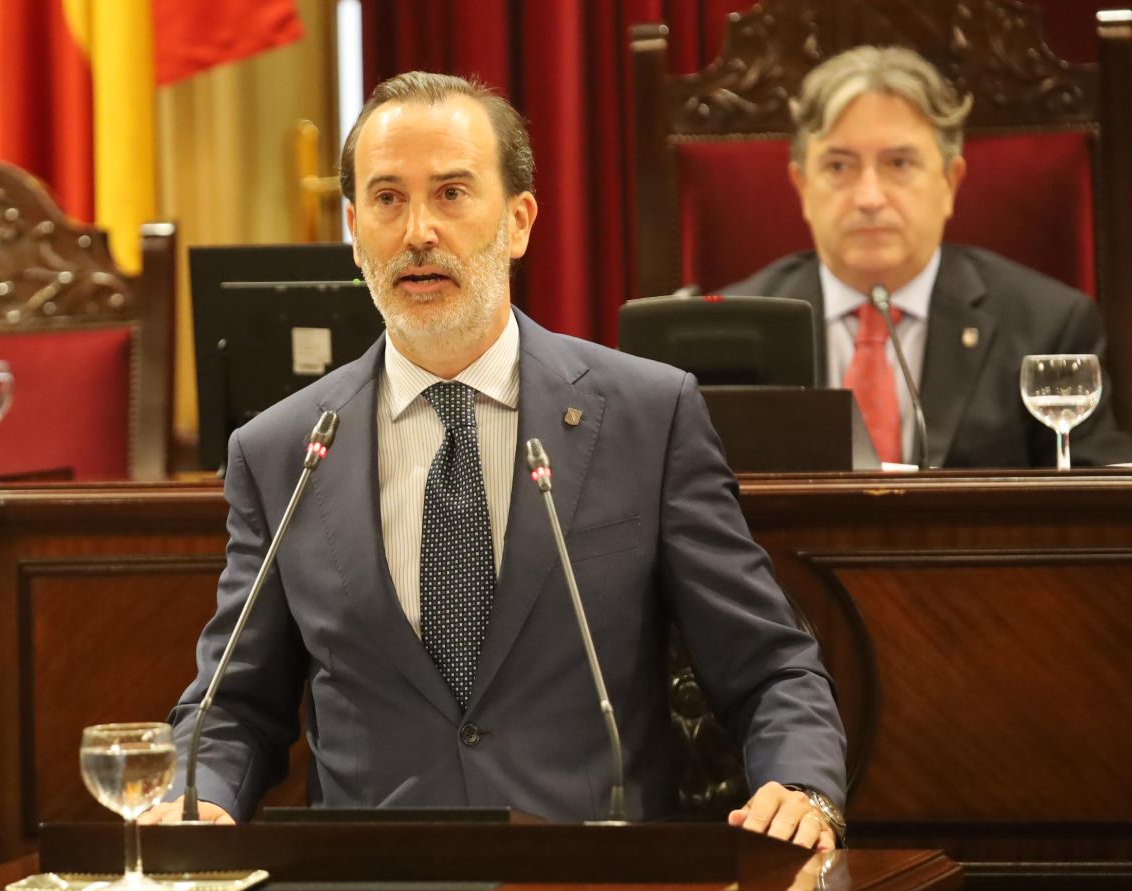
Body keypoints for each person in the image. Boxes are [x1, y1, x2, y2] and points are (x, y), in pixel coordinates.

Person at [155, 72, 846, 849]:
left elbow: (769, 667)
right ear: (354, 230)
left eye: (451, 193)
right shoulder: (284, 450)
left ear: (518, 222)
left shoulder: (646, 417)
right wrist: (198, 797)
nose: (418, 230)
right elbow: (232, 707)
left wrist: (802, 783)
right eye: (386, 200)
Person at [719, 46, 1132, 468]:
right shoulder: (733, 332)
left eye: (898, 163)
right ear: (802, 186)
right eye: (838, 167)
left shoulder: (1049, 327)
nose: (869, 197)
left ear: (950, 183)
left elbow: (1097, 505)